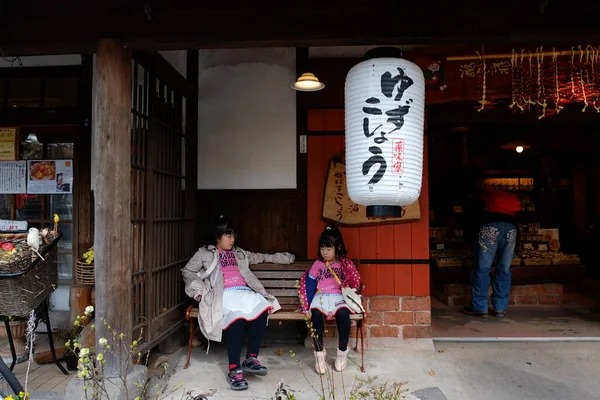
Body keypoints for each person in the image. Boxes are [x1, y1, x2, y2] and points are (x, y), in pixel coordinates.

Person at [181, 215, 295, 391]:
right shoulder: (204, 253)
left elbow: (261, 257)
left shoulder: (239, 253)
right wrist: (198, 291)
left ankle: (251, 358)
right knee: (237, 319)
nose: (232, 239)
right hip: (223, 294)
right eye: (228, 235)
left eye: (233, 235)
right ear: (217, 237)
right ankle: (234, 369)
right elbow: (188, 271)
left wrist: (284, 258)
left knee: (262, 308)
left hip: (244, 292)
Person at [299, 224, 361, 374]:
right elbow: (310, 284)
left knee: (343, 316)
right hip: (320, 296)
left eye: (328, 249)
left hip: (339, 296)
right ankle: (319, 354)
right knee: (316, 317)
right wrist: (306, 306)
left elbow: (355, 282)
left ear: (337, 248)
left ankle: (342, 352)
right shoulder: (318, 264)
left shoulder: (345, 264)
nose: (324, 252)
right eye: (322, 248)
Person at [462, 186, 521, 319]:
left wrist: (469, 241)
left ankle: (480, 307)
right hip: (511, 229)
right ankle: (500, 308)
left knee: (483, 269)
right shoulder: (506, 206)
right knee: (504, 269)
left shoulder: (479, 200)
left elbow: (472, 222)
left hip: (489, 227)